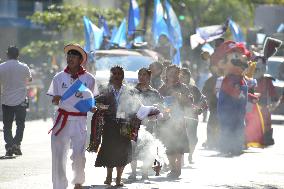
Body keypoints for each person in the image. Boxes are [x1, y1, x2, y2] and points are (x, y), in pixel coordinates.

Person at [47, 44, 97, 189]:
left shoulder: (89, 78)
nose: (70, 58)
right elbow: (54, 99)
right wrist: (56, 99)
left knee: (78, 155)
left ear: (81, 59)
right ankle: (59, 185)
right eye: (69, 55)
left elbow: (92, 101)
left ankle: (78, 182)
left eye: (74, 56)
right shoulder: (58, 77)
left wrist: (92, 108)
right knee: (58, 154)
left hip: (79, 120)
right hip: (61, 119)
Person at [94, 66, 141, 187]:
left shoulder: (130, 90)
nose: (116, 76)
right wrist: (107, 109)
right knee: (109, 149)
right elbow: (96, 104)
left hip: (126, 124)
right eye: (114, 73)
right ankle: (109, 175)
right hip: (109, 124)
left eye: (119, 73)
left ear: (123, 76)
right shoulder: (104, 90)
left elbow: (136, 106)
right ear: (111, 75)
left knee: (124, 150)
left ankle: (119, 178)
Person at [128, 68, 163, 180]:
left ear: (149, 77)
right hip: (134, 123)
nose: (141, 77)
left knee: (147, 148)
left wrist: (156, 113)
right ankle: (133, 173)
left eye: (144, 75)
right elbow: (126, 105)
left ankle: (145, 173)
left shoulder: (154, 92)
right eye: (140, 74)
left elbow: (161, 107)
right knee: (133, 147)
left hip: (149, 125)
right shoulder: (132, 91)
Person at [158, 65, 192, 179]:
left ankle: (177, 169)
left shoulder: (183, 88)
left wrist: (180, 96)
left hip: (179, 121)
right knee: (168, 146)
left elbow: (189, 102)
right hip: (165, 121)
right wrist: (162, 108)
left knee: (178, 146)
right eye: (170, 72)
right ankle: (173, 168)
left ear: (179, 75)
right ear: (166, 74)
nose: (172, 75)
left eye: (175, 73)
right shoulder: (162, 88)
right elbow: (156, 102)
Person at [0, 46, 32, 157]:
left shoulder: (1, 67)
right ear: (18, 55)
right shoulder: (24, 67)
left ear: (7, 54)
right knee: (20, 124)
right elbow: (30, 78)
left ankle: (9, 145)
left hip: (6, 100)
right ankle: (16, 144)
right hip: (21, 100)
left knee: (7, 126)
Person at [180, 68, 207, 163]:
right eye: (181, 76)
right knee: (180, 138)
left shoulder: (194, 88)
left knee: (193, 138)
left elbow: (202, 101)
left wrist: (199, 108)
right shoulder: (176, 87)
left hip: (192, 117)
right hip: (179, 117)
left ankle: (190, 155)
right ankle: (180, 159)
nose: (183, 78)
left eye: (185, 76)